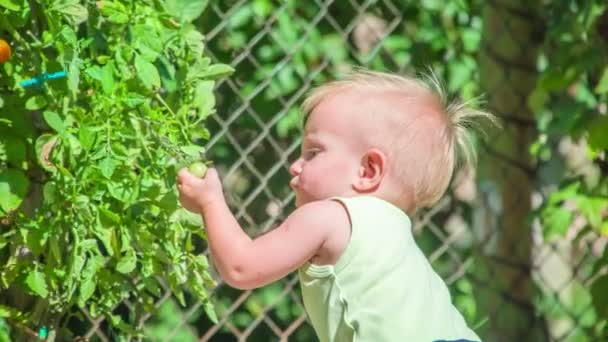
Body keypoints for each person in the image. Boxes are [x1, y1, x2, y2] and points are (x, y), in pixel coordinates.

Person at [177, 68, 494, 341]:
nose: (295, 165)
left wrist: (209, 201)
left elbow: (241, 267)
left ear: (368, 171)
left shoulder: (331, 216)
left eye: (313, 153)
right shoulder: (396, 233)